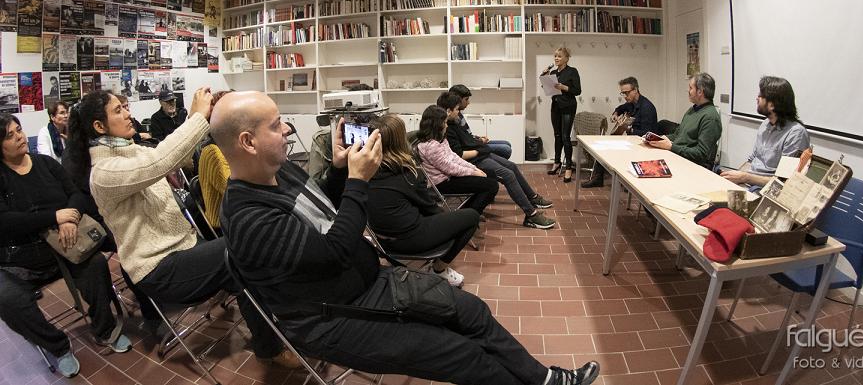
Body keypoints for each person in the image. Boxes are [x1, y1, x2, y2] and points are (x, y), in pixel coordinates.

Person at [212, 91, 599, 385]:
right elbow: (333, 251)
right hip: (333, 316)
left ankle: (546, 380)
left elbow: (324, 206)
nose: (288, 129)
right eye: (277, 124)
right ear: (248, 142)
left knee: (471, 312)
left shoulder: (281, 172)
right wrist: (359, 181)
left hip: (369, 282)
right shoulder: (248, 217)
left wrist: (340, 170)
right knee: (462, 354)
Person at [63, 89, 299, 368]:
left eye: (125, 107)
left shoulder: (134, 151)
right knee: (240, 247)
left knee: (245, 266)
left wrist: (215, 121)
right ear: (99, 126)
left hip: (186, 247)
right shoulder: (104, 172)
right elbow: (161, 161)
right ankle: (275, 340)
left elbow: (176, 158)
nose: (128, 113)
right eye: (118, 110)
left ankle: (273, 334)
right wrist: (197, 117)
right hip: (159, 268)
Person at [0, 114, 131, 378]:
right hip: (20, 259)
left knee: (96, 265)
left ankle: (105, 329)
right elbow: (5, 222)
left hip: (68, 246)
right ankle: (57, 346)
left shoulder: (46, 164)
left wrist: (69, 218)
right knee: (7, 299)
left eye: (19, 130)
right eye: (10, 136)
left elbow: (76, 193)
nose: (20, 137)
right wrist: (53, 217)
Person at [366, 113, 480, 287]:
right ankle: (439, 269)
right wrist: (449, 222)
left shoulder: (362, 170)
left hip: (381, 242)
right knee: (471, 217)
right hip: (409, 240)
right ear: (401, 140)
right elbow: (430, 208)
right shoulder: (408, 172)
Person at [437, 92, 556, 229]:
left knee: (512, 166)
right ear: (448, 110)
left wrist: (479, 143)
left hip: (480, 155)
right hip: (474, 160)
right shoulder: (447, 129)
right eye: (457, 109)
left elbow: (466, 140)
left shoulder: (454, 121)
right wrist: (479, 151)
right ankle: (531, 215)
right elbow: (458, 155)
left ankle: (532, 198)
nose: (459, 112)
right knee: (508, 175)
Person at [721, 76, 809, 188]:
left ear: (772, 105)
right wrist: (734, 178)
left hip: (765, 190)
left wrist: (745, 177)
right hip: (748, 183)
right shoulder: (765, 124)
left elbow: (784, 181)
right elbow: (752, 160)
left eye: (760, 96)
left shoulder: (796, 133)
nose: (757, 98)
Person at [416, 104, 499, 216]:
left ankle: (467, 210)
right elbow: (450, 168)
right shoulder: (431, 146)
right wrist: (474, 172)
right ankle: (470, 215)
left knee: (491, 174)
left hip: (449, 176)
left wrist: (474, 168)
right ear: (437, 125)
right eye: (445, 122)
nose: (446, 126)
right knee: (491, 185)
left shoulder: (440, 139)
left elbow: (454, 157)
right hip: (442, 182)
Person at [582, 76, 658, 188]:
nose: (625, 96)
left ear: (635, 90)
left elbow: (647, 134)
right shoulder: (631, 104)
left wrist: (629, 129)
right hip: (631, 140)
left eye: (627, 93)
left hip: (642, 145)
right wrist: (615, 113)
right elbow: (621, 108)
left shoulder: (647, 108)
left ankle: (626, 182)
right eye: (623, 93)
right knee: (604, 145)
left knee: (610, 147)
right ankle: (598, 178)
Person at [646, 72, 722, 169]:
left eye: (690, 88)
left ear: (700, 92)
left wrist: (671, 147)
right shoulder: (692, 110)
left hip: (690, 166)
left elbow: (700, 154)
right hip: (676, 157)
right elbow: (677, 135)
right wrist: (657, 139)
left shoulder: (711, 118)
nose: (688, 90)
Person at [541, 47, 581, 183]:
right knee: (557, 135)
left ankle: (568, 167)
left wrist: (563, 87)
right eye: (555, 56)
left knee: (565, 137)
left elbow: (577, 90)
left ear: (566, 58)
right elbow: (548, 88)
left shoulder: (572, 71)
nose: (556, 58)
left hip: (568, 107)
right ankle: (557, 162)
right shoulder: (552, 72)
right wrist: (545, 78)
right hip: (556, 106)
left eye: (559, 56)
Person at [197, 90, 235, 230]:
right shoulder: (213, 152)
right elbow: (236, 193)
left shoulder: (230, 145)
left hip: (238, 218)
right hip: (224, 227)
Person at [448, 84, 513, 160]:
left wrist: (478, 138)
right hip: (471, 148)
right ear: (458, 100)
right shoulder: (453, 117)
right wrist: (480, 141)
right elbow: (464, 142)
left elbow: (466, 135)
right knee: (505, 149)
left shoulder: (458, 113)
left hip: (473, 142)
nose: (468, 102)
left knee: (507, 144)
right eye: (466, 99)